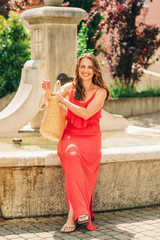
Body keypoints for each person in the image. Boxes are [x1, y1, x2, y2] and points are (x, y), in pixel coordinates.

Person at [42, 53, 110, 233]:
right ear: (78, 70)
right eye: (82, 67)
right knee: (72, 155)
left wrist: (64, 100)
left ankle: (73, 216)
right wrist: (48, 91)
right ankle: (79, 213)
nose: (85, 71)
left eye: (89, 67)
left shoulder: (101, 91)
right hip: (70, 136)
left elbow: (87, 113)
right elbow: (51, 101)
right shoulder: (68, 87)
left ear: (95, 70)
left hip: (91, 138)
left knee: (76, 170)